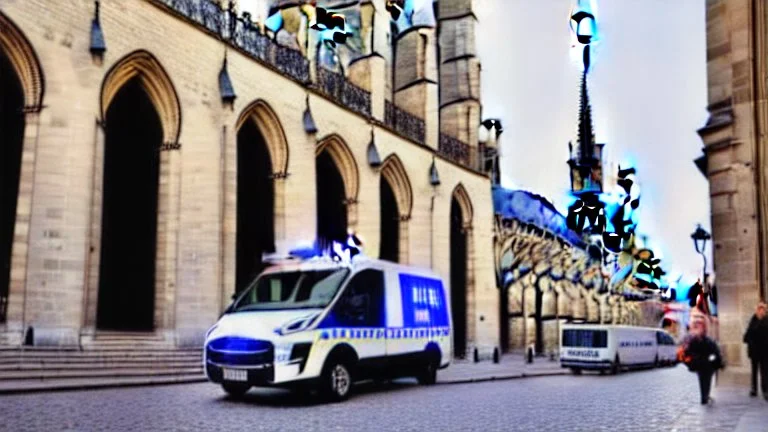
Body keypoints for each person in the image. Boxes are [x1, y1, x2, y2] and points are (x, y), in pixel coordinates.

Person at [684, 318, 724, 405]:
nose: (699, 329)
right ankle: (704, 397)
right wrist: (694, 359)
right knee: (702, 380)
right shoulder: (693, 340)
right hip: (700, 364)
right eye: (697, 327)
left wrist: (711, 359)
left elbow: (715, 352)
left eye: (700, 327)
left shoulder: (708, 340)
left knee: (707, 379)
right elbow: (688, 352)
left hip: (708, 364)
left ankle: (705, 396)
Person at [743, 302, 768, 399]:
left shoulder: (766, 320)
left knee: (765, 371)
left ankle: (765, 390)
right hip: (754, 350)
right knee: (754, 370)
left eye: (763, 308)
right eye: (759, 308)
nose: (761, 310)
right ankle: (754, 389)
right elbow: (747, 336)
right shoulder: (753, 320)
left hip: (765, 350)